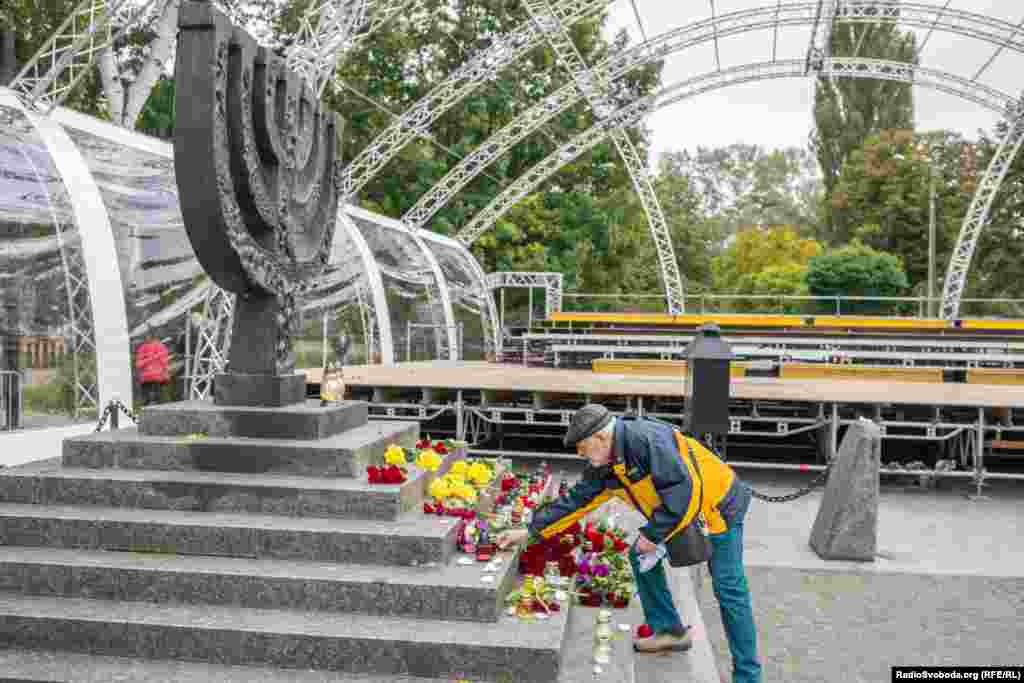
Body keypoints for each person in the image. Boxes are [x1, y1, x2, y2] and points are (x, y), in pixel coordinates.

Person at [496, 403, 761, 683]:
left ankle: (747, 676)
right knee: (640, 557)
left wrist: (652, 535)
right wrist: (530, 532)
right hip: (677, 510)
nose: (580, 453)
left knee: (728, 588)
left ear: (600, 438)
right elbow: (576, 501)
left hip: (717, 508)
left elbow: (684, 491)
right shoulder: (607, 463)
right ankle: (669, 631)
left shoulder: (646, 441)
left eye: (582, 447)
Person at [135, 335, 171, 405]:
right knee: (159, 393)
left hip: (149, 377)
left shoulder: (142, 348)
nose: (147, 339)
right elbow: (164, 361)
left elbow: (138, 364)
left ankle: (149, 402)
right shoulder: (159, 346)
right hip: (156, 376)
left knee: (150, 393)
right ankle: (156, 401)